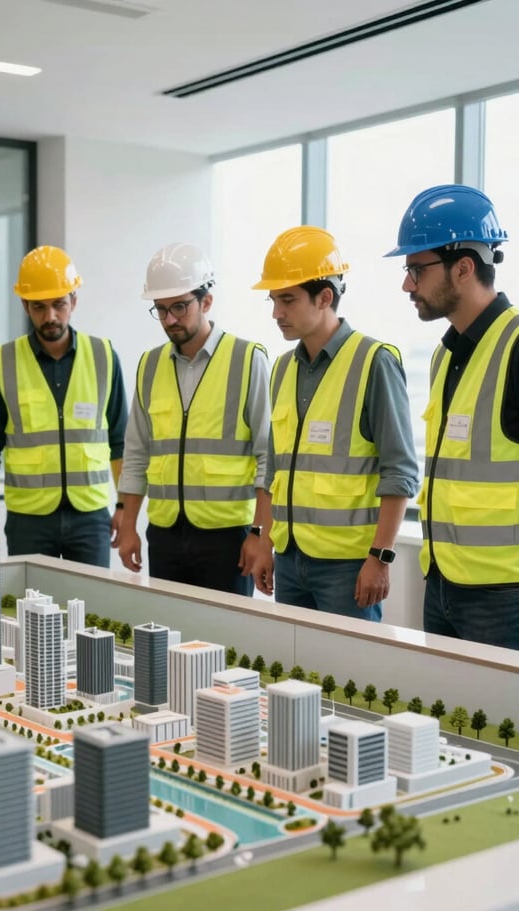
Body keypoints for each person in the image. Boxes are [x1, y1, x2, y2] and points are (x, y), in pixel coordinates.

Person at [251, 226, 418, 621]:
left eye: (287, 299)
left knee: (353, 677)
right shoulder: (281, 369)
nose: (277, 312)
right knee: (295, 679)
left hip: (348, 567)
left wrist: (380, 557)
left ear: (325, 297)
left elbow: (400, 471)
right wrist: (263, 541)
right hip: (290, 561)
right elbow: (276, 469)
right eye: (273, 300)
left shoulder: (373, 361)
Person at [385, 184, 519, 648]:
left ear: (463, 268)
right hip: (441, 581)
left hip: (504, 596)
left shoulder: (516, 347)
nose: (407, 284)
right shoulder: (446, 355)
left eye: (417, 269)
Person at [116, 243, 271, 596]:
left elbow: (268, 457)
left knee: (227, 644)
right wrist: (128, 526)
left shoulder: (247, 360)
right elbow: (137, 452)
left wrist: (260, 534)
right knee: (168, 643)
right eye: (161, 310)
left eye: (180, 307)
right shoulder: (149, 365)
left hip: (229, 537)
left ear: (206, 301)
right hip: (165, 534)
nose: (170, 319)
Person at [0, 245, 128, 566]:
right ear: (26, 306)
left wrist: (124, 507)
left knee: (92, 610)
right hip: (29, 519)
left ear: (74, 301)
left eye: (59, 304)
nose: (50, 316)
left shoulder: (103, 357)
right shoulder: (2, 364)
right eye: (39, 307)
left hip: (90, 516)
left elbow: (121, 443)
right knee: (30, 612)